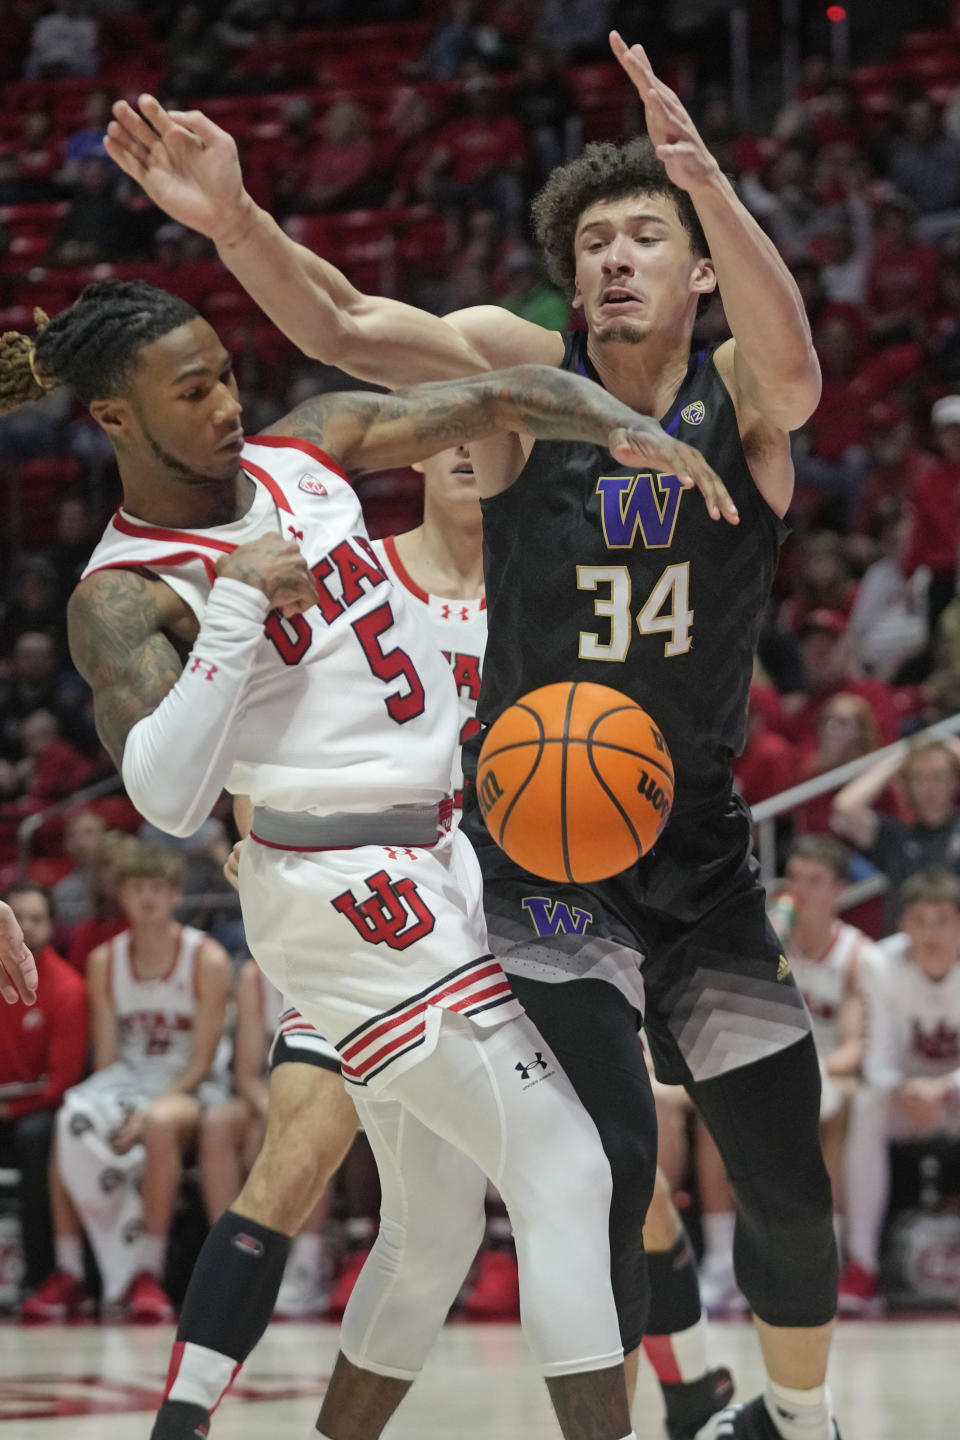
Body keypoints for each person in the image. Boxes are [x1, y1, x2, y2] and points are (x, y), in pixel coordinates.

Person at [105, 32, 842, 1440]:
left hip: (694, 847)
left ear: (700, 272)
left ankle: (797, 1424)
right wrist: (235, 217)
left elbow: (798, 361)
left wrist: (706, 181)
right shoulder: (516, 381)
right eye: (598, 243)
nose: (617, 259)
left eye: (650, 238)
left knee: (786, 1185)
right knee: (607, 1173)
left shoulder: (744, 392)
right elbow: (340, 328)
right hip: (543, 853)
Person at [0, 276, 729, 1440]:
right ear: (114, 420)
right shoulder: (124, 594)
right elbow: (169, 797)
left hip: (437, 854)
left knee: (432, 1222)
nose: (228, 405)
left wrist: (625, 427)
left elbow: (496, 393)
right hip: (340, 887)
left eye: (227, 374)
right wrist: (233, 612)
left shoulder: (306, 450)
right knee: (567, 1168)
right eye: (191, 392)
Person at [157, 442, 732, 1440]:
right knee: (338, 1154)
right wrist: (257, 829)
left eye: (494, 427)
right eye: (453, 423)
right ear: (418, 441)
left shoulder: (553, 592)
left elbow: (624, 753)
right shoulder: (356, 576)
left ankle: (695, 1388)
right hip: (381, 907)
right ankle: (186, 1406)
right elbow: (259, 743)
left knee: (502, 1210)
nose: (469, 448)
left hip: (510, 908)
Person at [21, 841, 232, 1323]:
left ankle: (148, 1275)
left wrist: (144, 1112)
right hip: (129, 1080)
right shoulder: (104, 961)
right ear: (122, 896)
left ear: (176, 896)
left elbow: (202, 1061)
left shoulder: (207, 958)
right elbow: (110, 1060)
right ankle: (70, 1274)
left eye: (157, 888)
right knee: (71, 1113)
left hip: (191, 1086)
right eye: (137, 888)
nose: (147, 898)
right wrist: (112, 1109)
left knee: (157, 1123)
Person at [696, 837, 879, 1313]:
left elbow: (856, 1046)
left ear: (840, 890)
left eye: (813, 881)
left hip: (826, 1067)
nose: (799, 890)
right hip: (763, 1061)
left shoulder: (858, 955)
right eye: (793, 878)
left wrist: (815, 1068)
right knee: (711, 1106)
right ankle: (719, 1264)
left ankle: (830, 1256)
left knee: (835, 1105)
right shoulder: (769, 938)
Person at [840, 867, 960, 1313]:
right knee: (867, 1106)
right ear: (903, 924)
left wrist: (944, 1089)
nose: (931, 933)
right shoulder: (879, 963)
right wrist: (912, 1092)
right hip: (904, 1099)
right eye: (920, 921)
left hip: (952, 1097)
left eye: (943, 920)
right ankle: (863, 1267)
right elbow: (878, 1059)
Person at [0, 886, 86, 1305]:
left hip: (36, 1110)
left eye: (36, 918)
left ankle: (40, 1275)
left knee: (37, 1137)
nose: (27, 927)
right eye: (19, 917)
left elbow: (62, 1083)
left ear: (52, 925)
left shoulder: (68, 989)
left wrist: (10, 1107)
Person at [832, 736, 960, 935]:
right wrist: (899, 759)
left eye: (938, 776)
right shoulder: (895, 836)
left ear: (953, 781)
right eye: (919, 778)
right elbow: (845, 807)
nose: (929, 788)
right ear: (906, 785)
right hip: (903, 948)